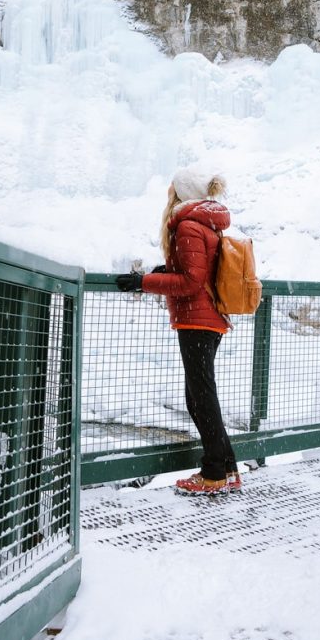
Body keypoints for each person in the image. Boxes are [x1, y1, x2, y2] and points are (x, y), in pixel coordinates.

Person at [116, 169, 241, 496]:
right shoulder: (205, 223)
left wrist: (143, 283)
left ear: (180, 194)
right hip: (208, 317)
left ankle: (214, 471)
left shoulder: (187, 225)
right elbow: (195, 270)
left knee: (200, 397)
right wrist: (164, 272)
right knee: (200, 395)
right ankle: (227, 467)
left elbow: (190, 282)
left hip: (197, 320)